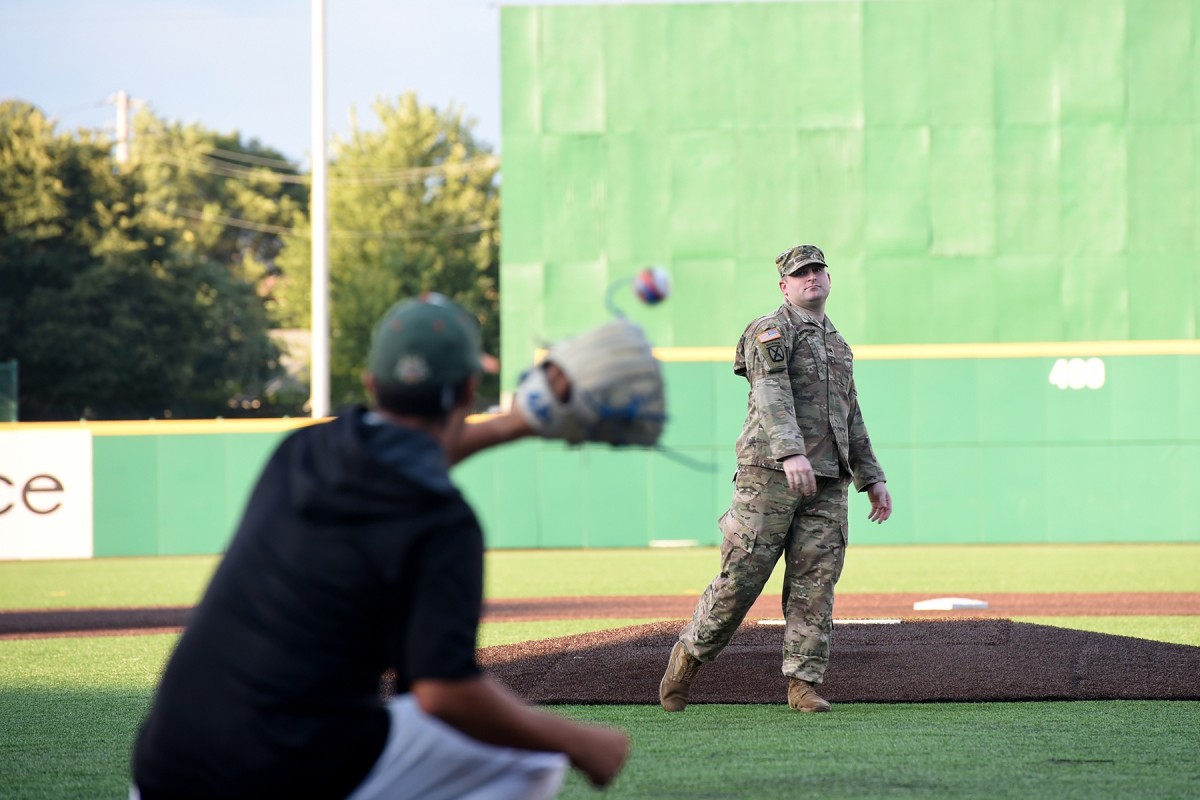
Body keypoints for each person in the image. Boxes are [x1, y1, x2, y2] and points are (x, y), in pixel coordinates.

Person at [131, 293, 629, 799]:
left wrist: (518, 423)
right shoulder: (442, 522)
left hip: (161, 773)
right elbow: (443, 693)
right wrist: (578, 740)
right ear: (468, 391)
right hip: (274, 774)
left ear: (371, 382)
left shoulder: (303, 451)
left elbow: (408, 452)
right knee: (533, 758)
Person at [659, 244, 893, 714]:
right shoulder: (770, 331)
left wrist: (871, 476)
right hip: (770, 475)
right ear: (784, 285)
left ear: (829, 280)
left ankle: (802, 684)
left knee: (815, 584)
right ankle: (687, 659)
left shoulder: (838, 345)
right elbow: (770, 392)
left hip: (827, 482)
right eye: (800, 273)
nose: (811, 278)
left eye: (818, 271)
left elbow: (852, 414)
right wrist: (791, 452)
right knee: (741, 579)